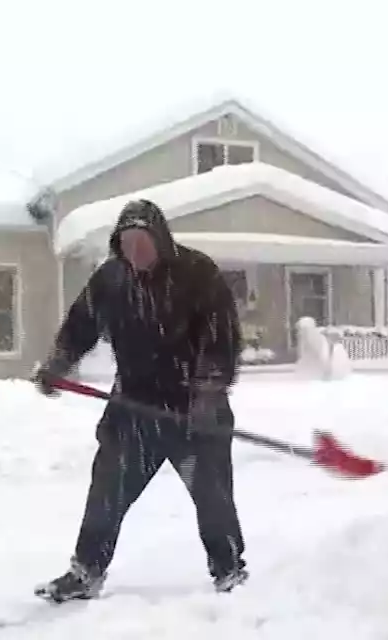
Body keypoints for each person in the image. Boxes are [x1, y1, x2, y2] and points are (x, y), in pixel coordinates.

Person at [31, 198, 248, 602]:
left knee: (212, 493)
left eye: (142, 242)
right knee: (107, 487)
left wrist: (207, 393)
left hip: (194, 407)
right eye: (127, 243)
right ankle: (86, 571)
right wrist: (59, 363)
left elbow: (222, 342)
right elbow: (80, 325)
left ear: (161, 241)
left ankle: (229, 568)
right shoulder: (111, 279)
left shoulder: (197, 273)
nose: (135, 252)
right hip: (133, 406)